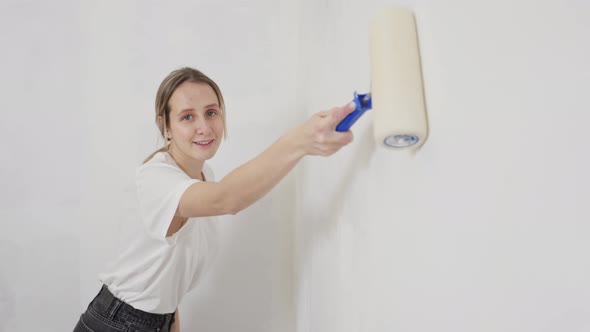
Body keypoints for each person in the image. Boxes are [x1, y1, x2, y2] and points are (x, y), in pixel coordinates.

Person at [73, 67, 355, 332]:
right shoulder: (156, 179)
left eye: (211, 113)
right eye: (187, 117)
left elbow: (169, 281)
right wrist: (300, 141)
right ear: (166, 126)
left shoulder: (203, 174)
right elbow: (227, 199)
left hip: (156, 320)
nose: (204, 127)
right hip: (116, 322)